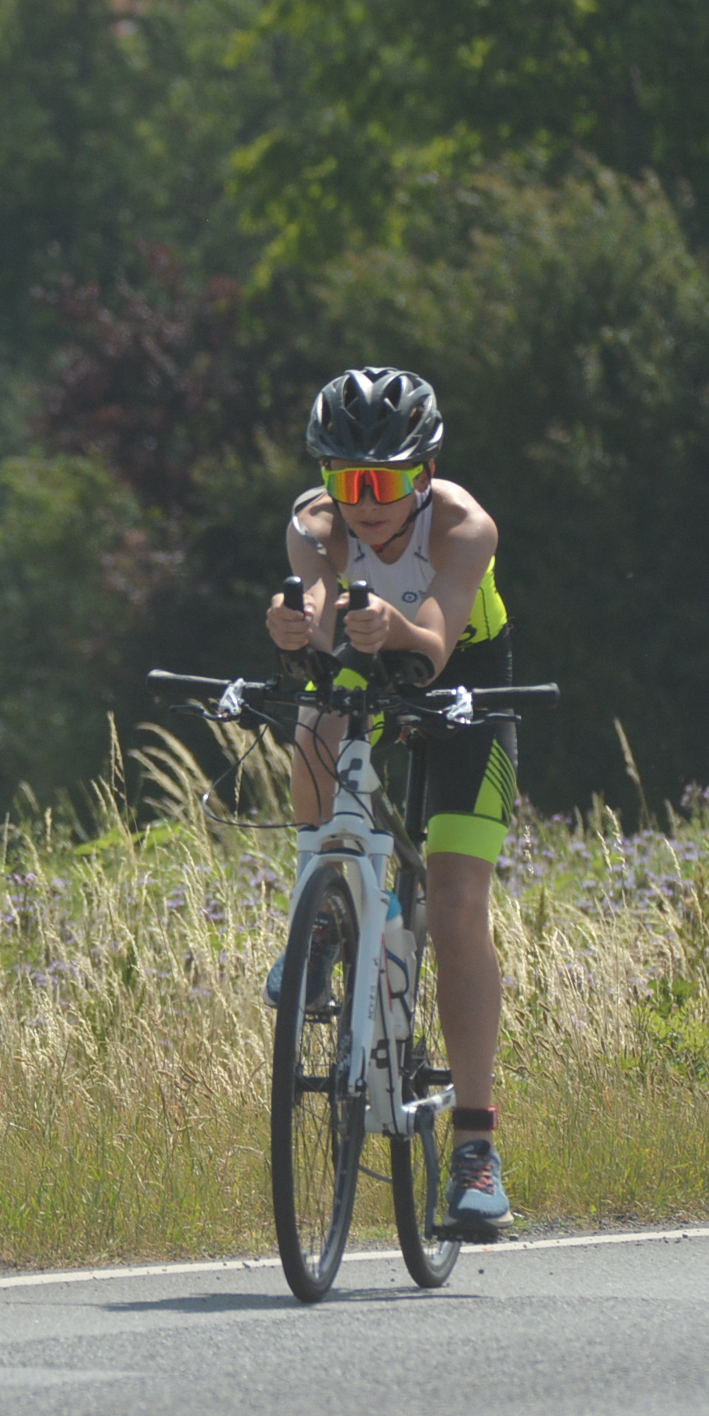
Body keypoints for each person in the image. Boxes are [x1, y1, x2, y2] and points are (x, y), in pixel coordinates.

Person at [263, 366, 518, 1235]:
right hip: (365, 653)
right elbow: (320, 606)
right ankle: (325, 912)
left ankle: (476, 1147)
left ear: (425, 472)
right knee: (314, 721)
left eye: (385, 482)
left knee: (455, 904)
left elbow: (436, 641)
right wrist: (296, 626)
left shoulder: (464, 525)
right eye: (347, 482)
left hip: (464, 677)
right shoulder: (314, 524)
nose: (365, 503)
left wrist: (389, 629)